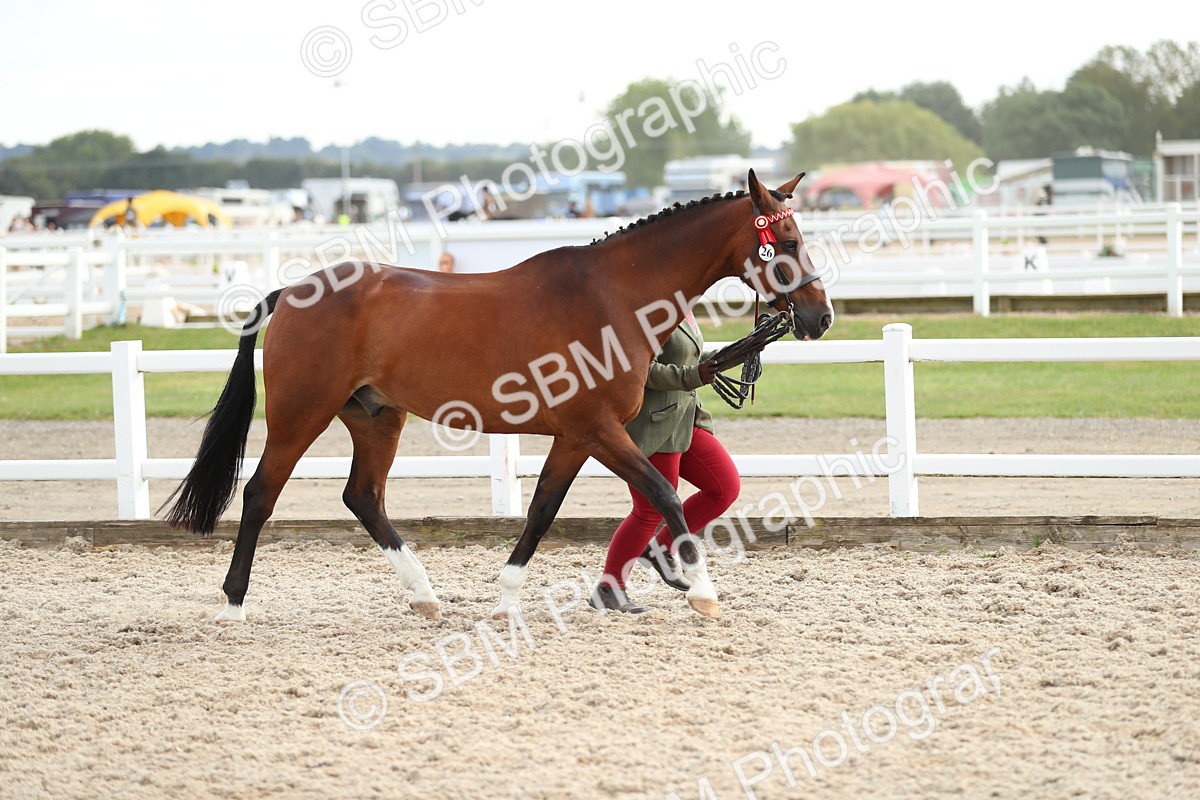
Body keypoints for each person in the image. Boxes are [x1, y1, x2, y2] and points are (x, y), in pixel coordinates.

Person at [590, 308, 742, 613]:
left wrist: (740, 352)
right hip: (654, 422)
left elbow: (689, 357)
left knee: (724, 487)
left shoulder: (683, 305)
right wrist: (691, 377)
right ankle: (609, 588)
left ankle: (660, 549)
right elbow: (640, 368)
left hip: (686, 417)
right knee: (649, 509)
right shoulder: (644, 309)